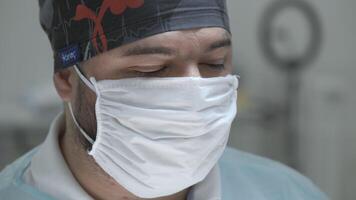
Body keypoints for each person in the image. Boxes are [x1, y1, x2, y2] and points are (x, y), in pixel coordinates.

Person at [0, 0, 329, 199]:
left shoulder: (285, 193)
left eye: (214, 63)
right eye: (150, 69)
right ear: (66, 78)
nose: (192, 92)